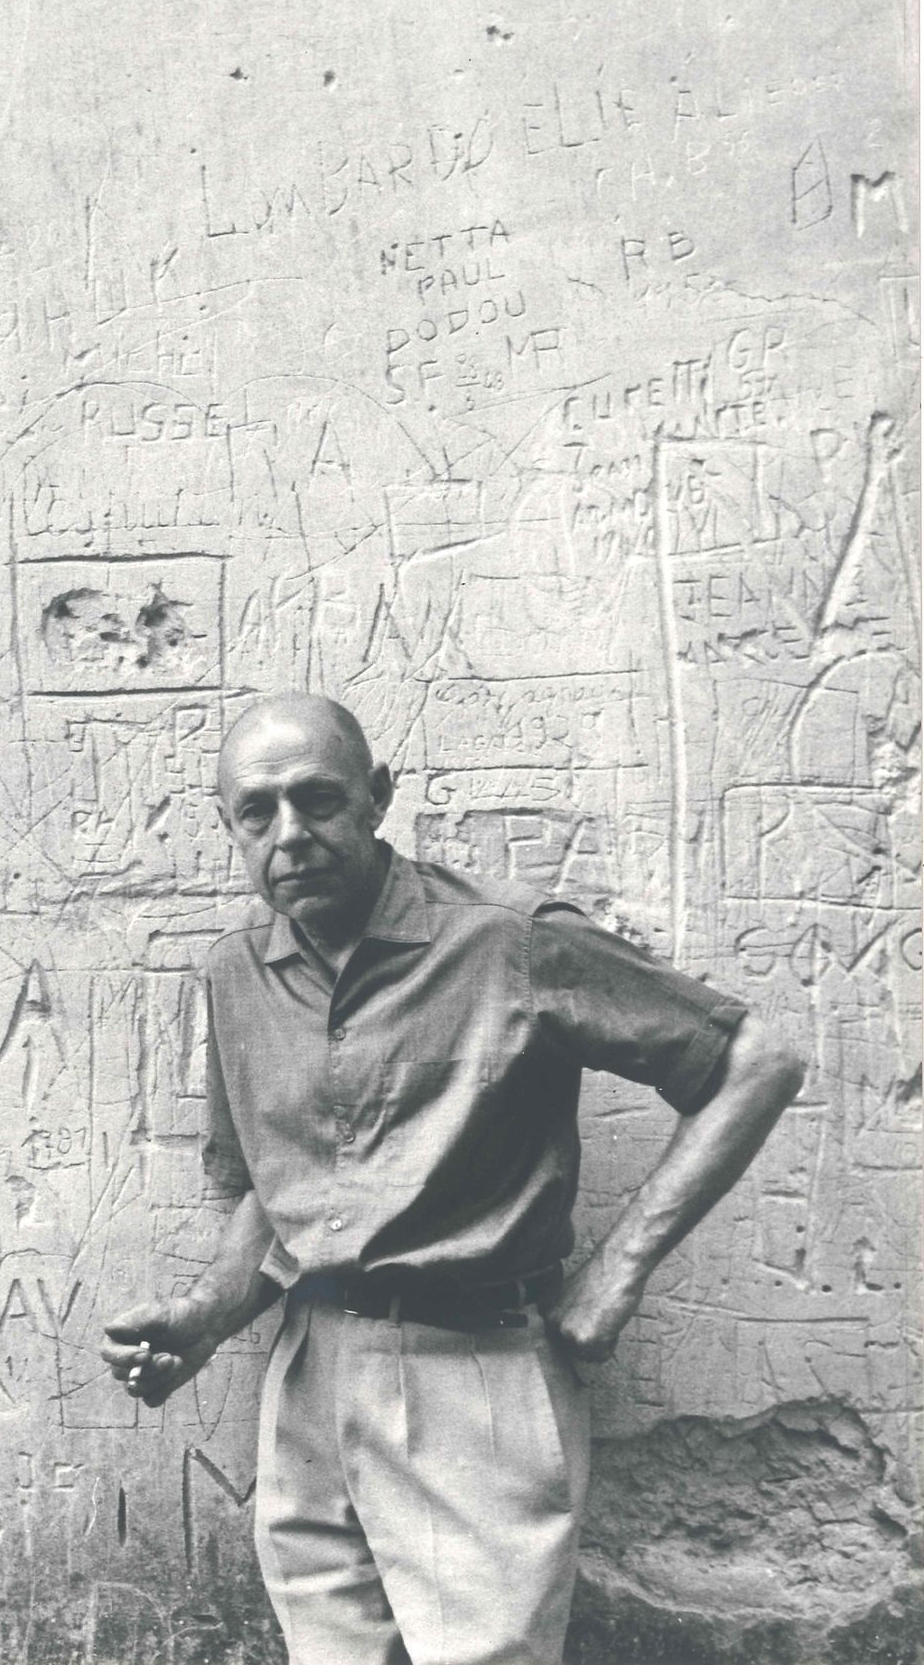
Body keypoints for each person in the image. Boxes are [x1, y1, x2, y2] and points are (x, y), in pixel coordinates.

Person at [100, 692, 804, 1665]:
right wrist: (208, 1314)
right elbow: (279, 1186)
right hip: (309, 1377)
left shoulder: (509, 940)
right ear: (230, 826)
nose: (289, 833)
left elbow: (758, 1061)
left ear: (378, 797)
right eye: (257, 811)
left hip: (474, 1376)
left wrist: (619, 1270)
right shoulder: (237, 972)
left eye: (317, 798)